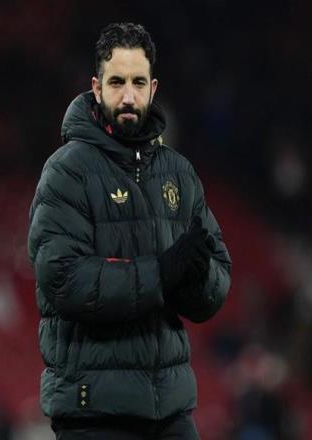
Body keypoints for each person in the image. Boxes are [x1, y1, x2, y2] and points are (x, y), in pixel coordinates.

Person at [28, 22, 232, 439]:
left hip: (171, 409)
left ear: (153, 89)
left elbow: (216, 284)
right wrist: (161, 273)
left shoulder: (179, 174)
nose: (127, 96)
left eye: (138, 83)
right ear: (96, 88)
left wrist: (195, 277)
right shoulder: (67, 172)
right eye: (116, 82)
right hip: (95, 412)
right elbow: (64, 279)